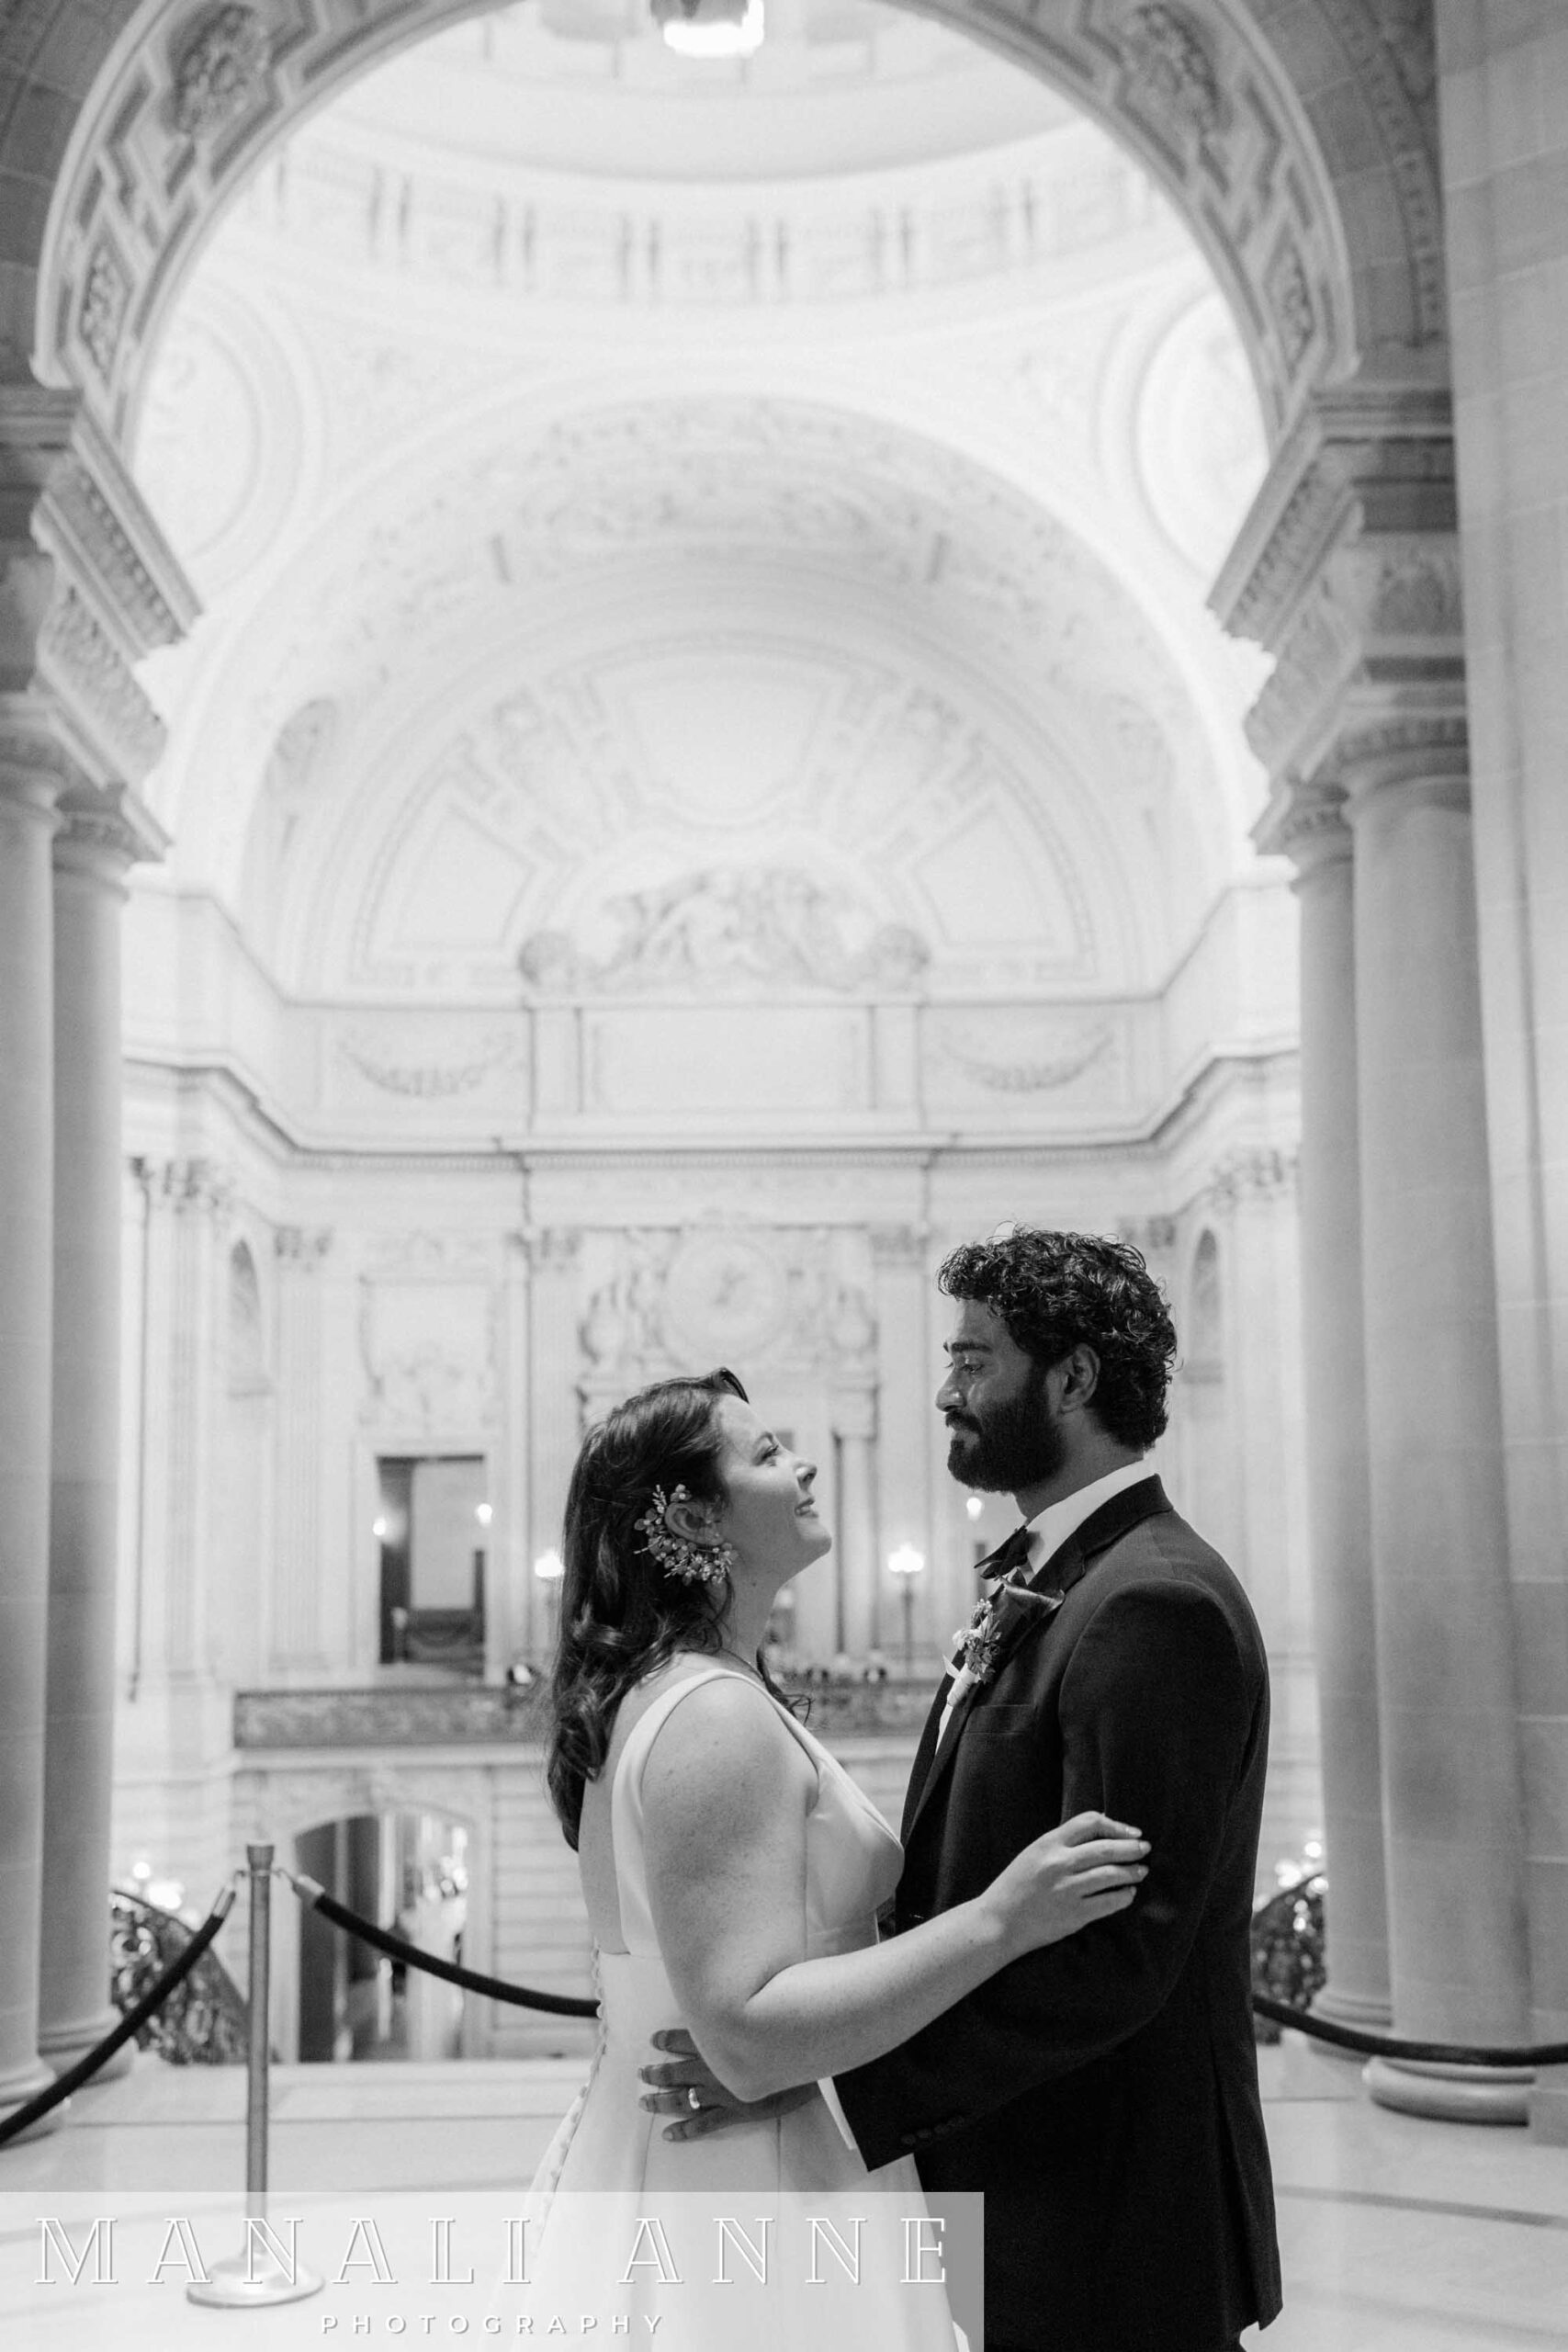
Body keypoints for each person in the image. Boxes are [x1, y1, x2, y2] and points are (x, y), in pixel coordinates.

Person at [645, 1232, 1282, 2352]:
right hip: (1023, 2191)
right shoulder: (1058, 1574)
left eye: (974, 1361)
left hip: (1108, 2221)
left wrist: (829, 2084)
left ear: (1073, 1378)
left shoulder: (1154, 1603)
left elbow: (1113, 1957)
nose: (946, 1392)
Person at [519, 1365, 1149, 2346]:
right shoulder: (713, 1715)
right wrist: (1001, 1920)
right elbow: (747, 2037)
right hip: (747, 2183)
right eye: (768, 1454)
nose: (804, 1465)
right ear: (693, 1520)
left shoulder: (688, 1687)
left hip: (733, 2153)